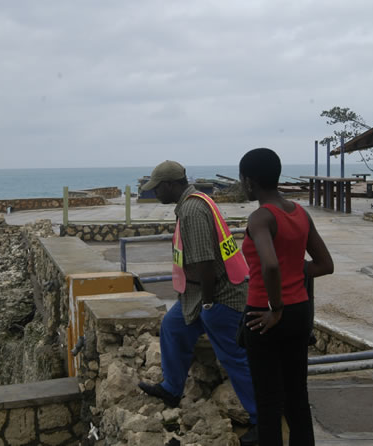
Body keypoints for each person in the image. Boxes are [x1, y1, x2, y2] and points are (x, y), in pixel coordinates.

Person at [138, 160, 258, 445]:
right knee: (172, 326)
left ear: (170, 185)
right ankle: (171, 387)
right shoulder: (195, 201)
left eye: (156, 188)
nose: (154, 194)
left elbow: (204, 261)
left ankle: (261, 419)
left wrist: (207, 305)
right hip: (196, 294)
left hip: (217, 295)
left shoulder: (192, 210)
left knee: (234, 358)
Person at [239, 148, 334, 446]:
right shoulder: (299, 213)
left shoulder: (260, 218)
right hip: (300, 312)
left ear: (250, 181)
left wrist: (275, 307)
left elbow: (269, 264)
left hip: (264, 315)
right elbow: (324, 265)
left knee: (268, 402)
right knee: (297, 398)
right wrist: (294, 269)